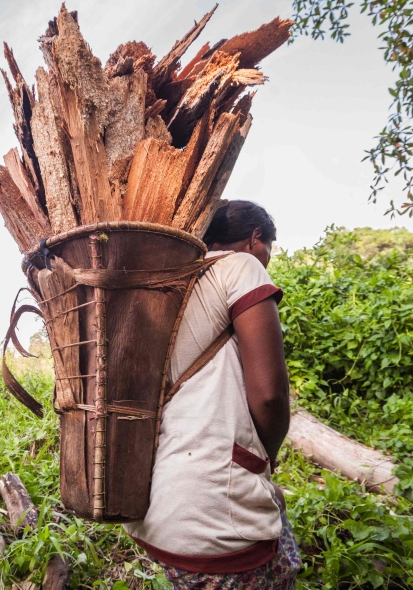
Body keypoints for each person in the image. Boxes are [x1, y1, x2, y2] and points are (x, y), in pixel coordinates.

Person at [124, 200, 300, 589]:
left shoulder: (165, 283)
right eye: (269, 247)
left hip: (155, 515)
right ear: (256, 239)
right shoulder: (240, 266)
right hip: (217, 525)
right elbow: (271, 396)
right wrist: (266, 460)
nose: (267, 258)